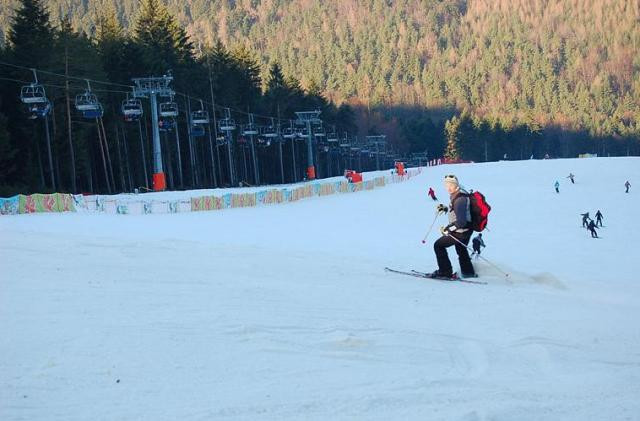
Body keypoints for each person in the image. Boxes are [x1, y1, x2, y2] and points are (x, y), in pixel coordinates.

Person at [431, 175, 475, 278]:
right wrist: (446, 209)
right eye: (446, 185)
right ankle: (468, 272)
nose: (448, 187)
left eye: (451, 185)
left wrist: (448, 229)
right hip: (466, 230)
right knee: (461, 249)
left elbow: (461, 222)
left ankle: (445, 272)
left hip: (461, 231)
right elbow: (459, 212)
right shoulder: (460, 194)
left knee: (438, 245)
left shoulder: (460, 199)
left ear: (456, 185)